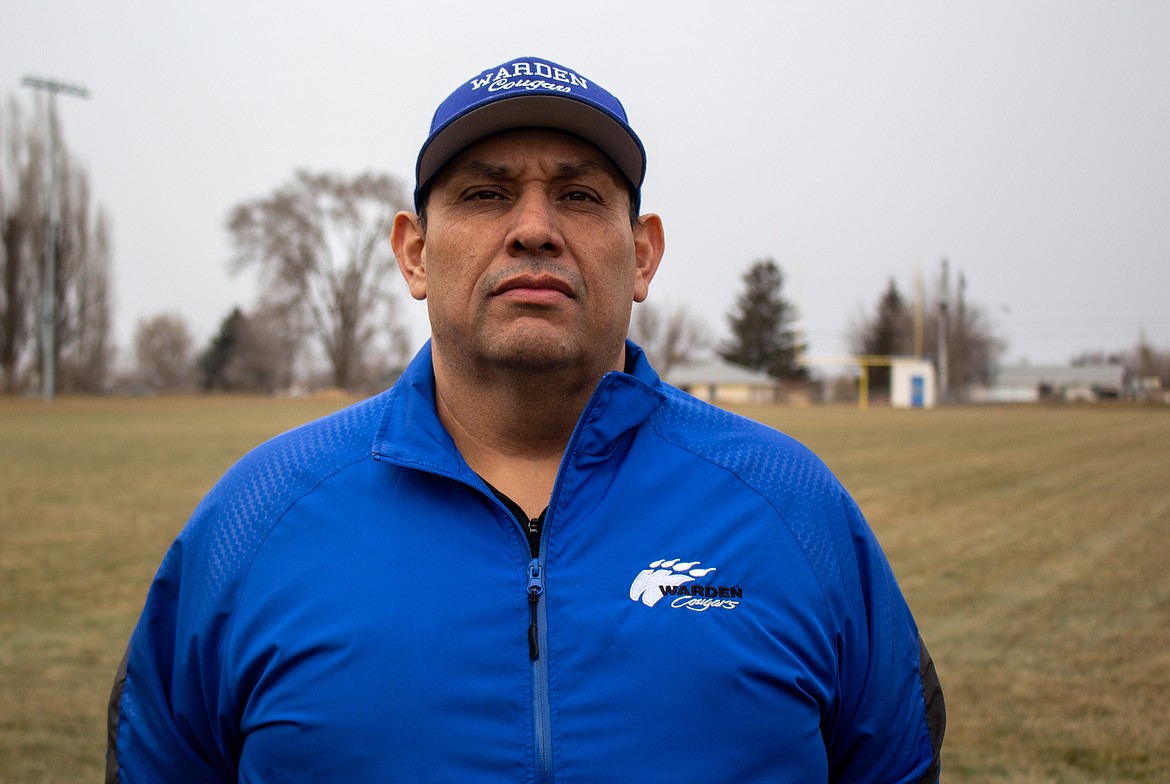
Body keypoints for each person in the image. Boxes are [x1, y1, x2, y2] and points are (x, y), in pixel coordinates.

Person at [107, 56, 944, 782]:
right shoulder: (257, 521)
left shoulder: (795, 511)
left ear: (643, 252)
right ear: (414, 253)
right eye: (485, 194)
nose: (535, 229)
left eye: (579, 195)